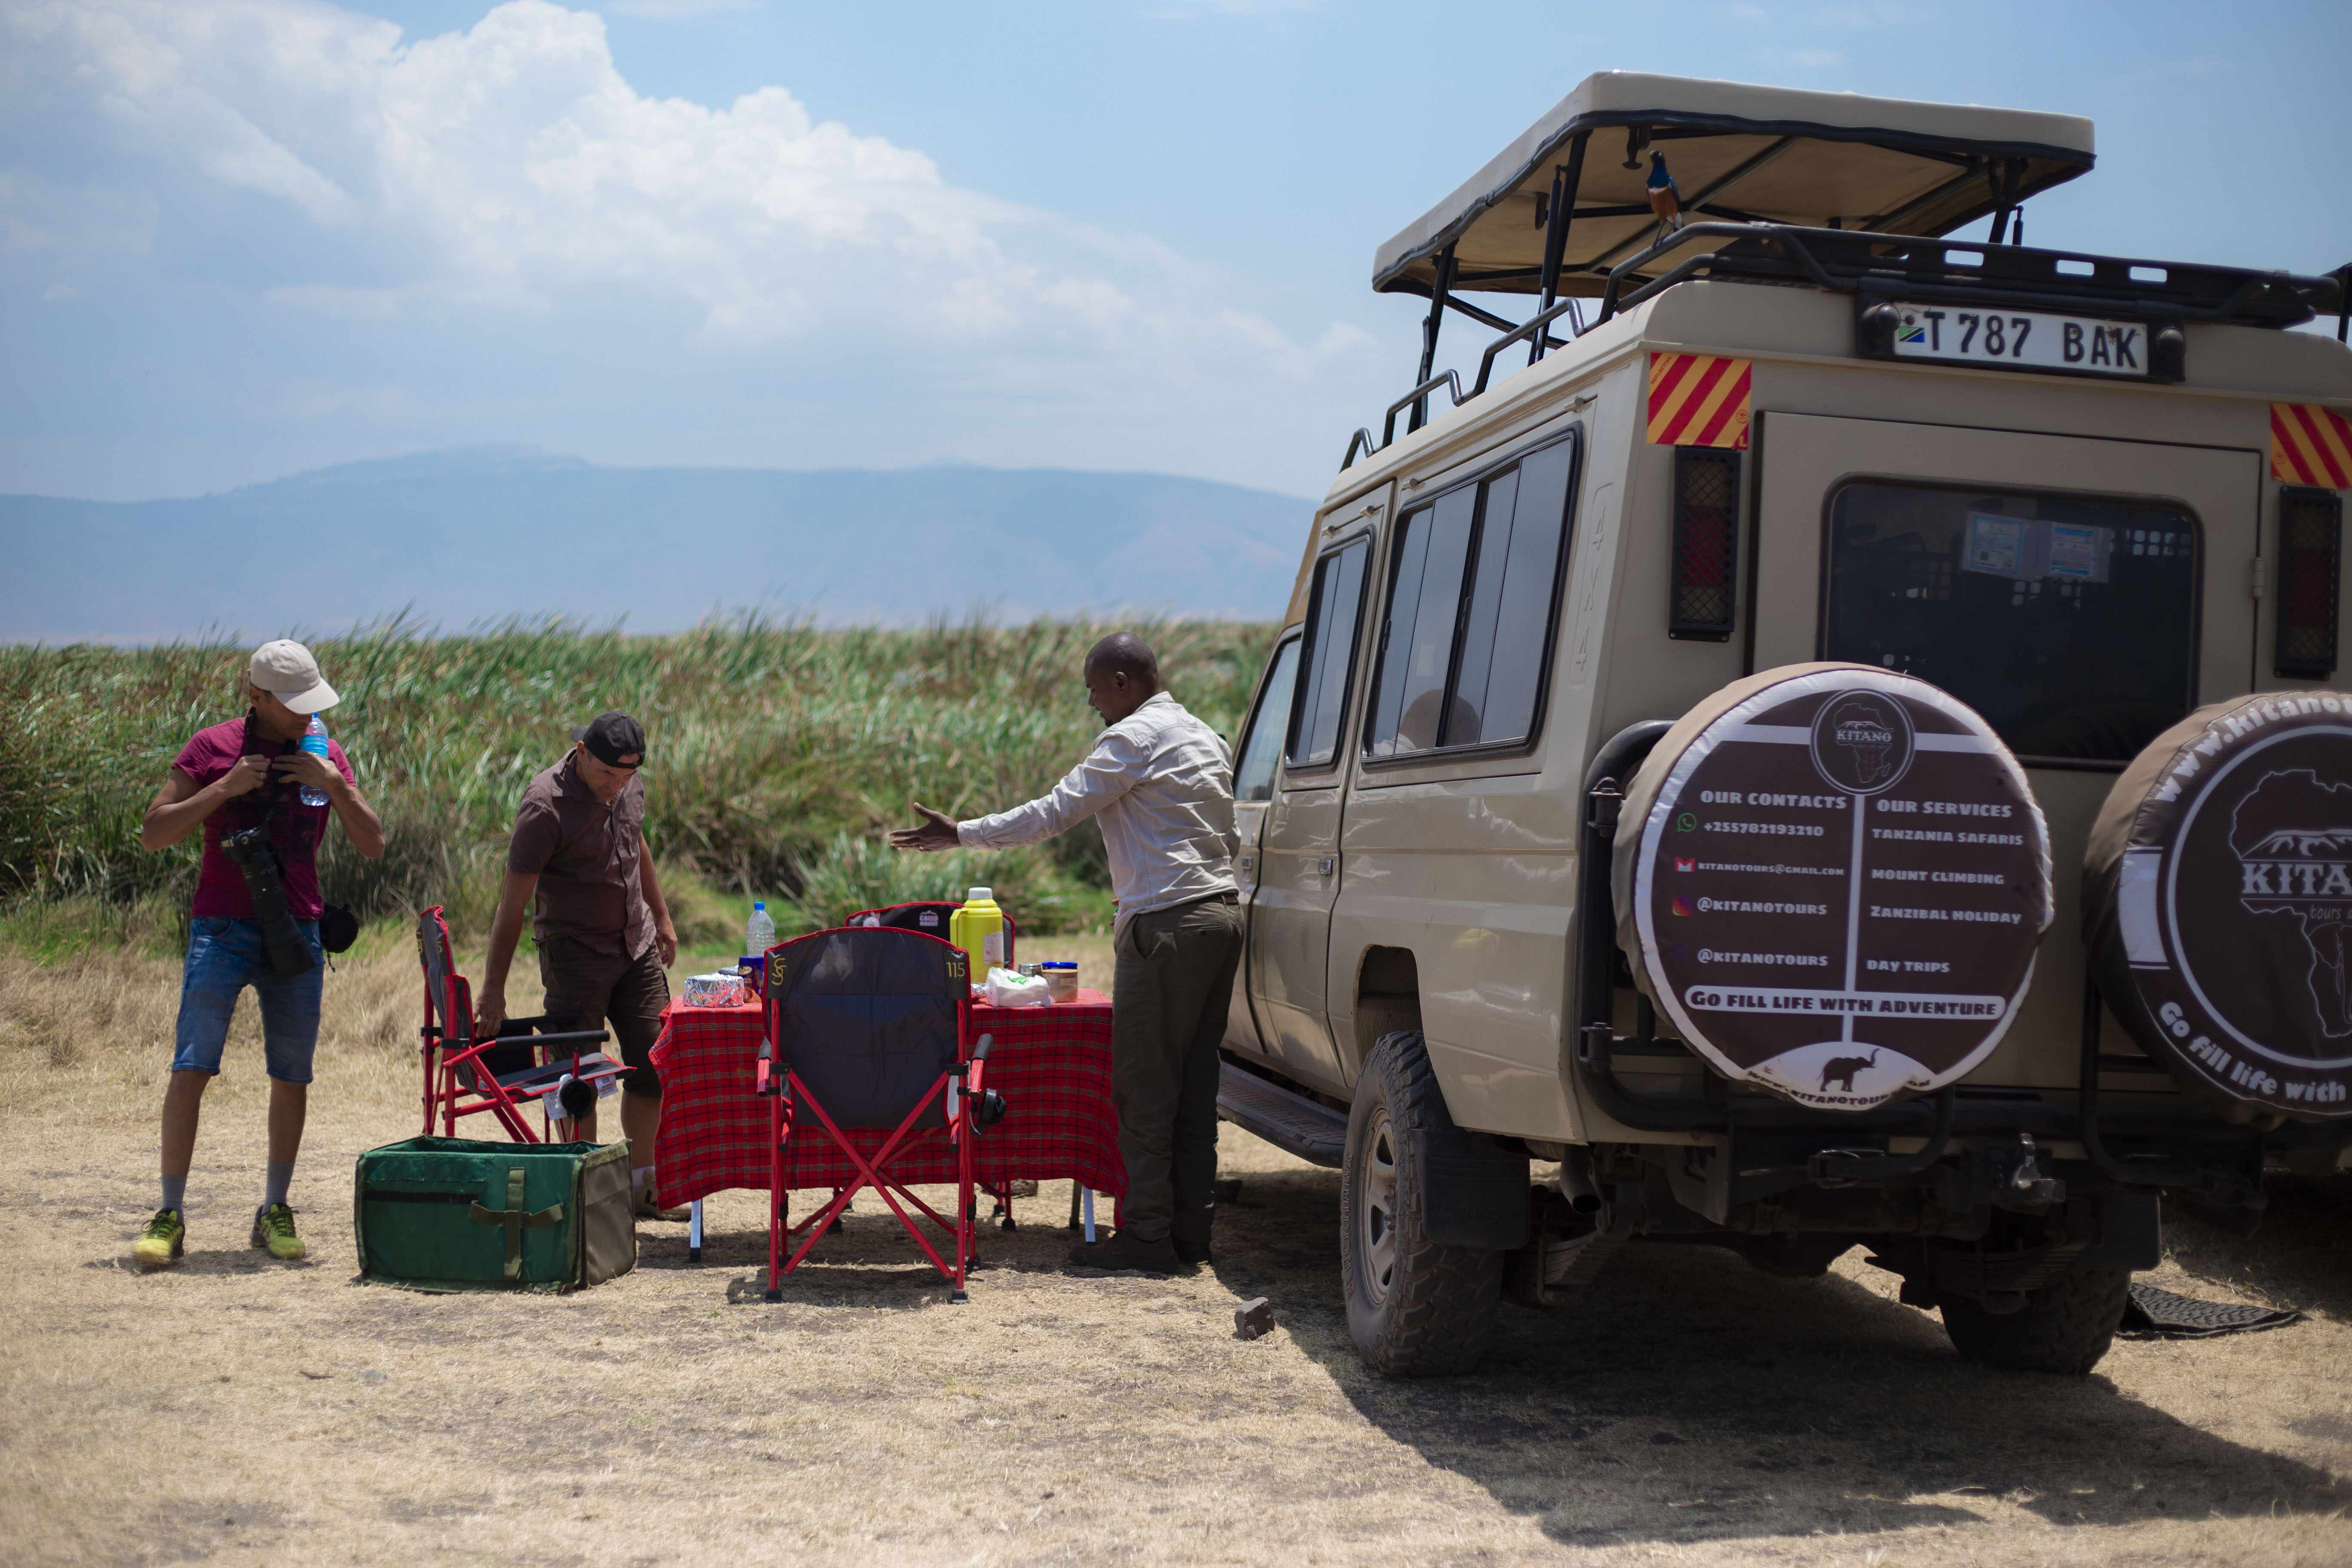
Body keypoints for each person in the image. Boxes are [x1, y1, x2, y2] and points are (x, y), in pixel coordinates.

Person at [891, 632, 1241, 1272]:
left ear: (1121, 685)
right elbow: (1231, 835)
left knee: (1145, 1086)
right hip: (1220, 917)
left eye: (1094, 688)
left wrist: (963, 835)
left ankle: (1147, 1235)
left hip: (1165, 925)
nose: (1090, 702)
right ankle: (1190, 1234)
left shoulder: (1132, 740)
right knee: (1194, 1086)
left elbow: (1055, 812)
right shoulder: (1207, 737)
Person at [132, 639, 386, 1266]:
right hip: (220, 928)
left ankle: (274, 1208)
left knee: (292, 1075)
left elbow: (374, 844)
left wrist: (335, 786)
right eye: (292, 705)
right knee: (192, 1067)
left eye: (311, 703)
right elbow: (154, 834)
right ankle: (170, 1213)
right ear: (256, 695)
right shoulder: (211, 746)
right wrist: (222, 789)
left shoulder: (325, 754)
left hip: (297, 929)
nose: (306, 715)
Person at [475, 711, 683, 1220]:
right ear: (583, 752)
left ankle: (640, 1185)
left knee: (654, 1067)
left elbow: (637, 844)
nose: (617, 786)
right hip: (575, 957)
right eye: (608, 775)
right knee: (579, 1080)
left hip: (635, 948)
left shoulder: (627, 786)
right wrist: (493, 993)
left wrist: (661, 915)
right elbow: (512, 906)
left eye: (628, 775)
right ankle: (588, 1198)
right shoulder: (544, 805)